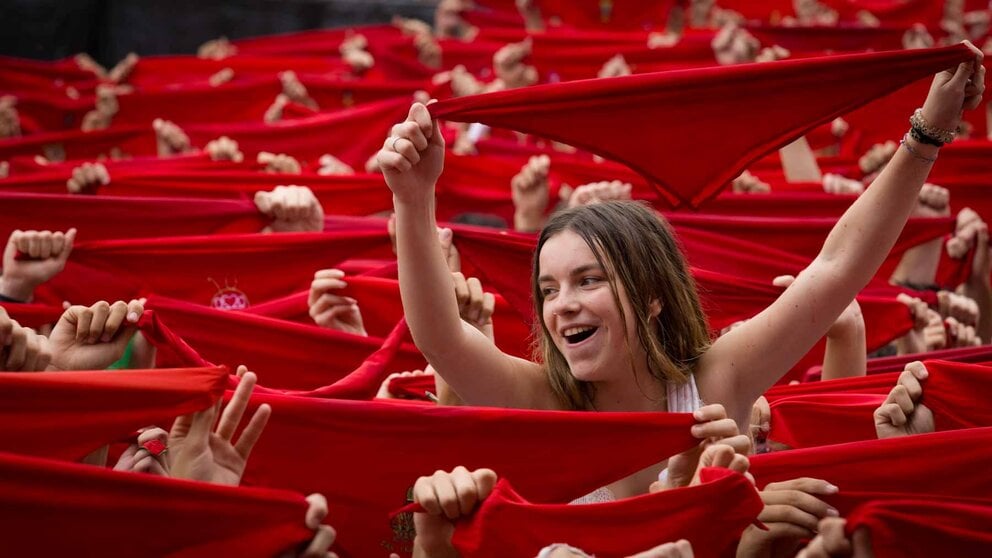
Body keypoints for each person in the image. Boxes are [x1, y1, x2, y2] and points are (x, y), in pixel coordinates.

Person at [378, 44, 985, 500]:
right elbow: (441, 336)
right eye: (548, 289)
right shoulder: (543, 404)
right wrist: (413, 197)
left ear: (651, 299)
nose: (560, 304)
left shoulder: (716, 381)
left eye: (589, 281)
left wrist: (926, 134)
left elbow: (833, 268)